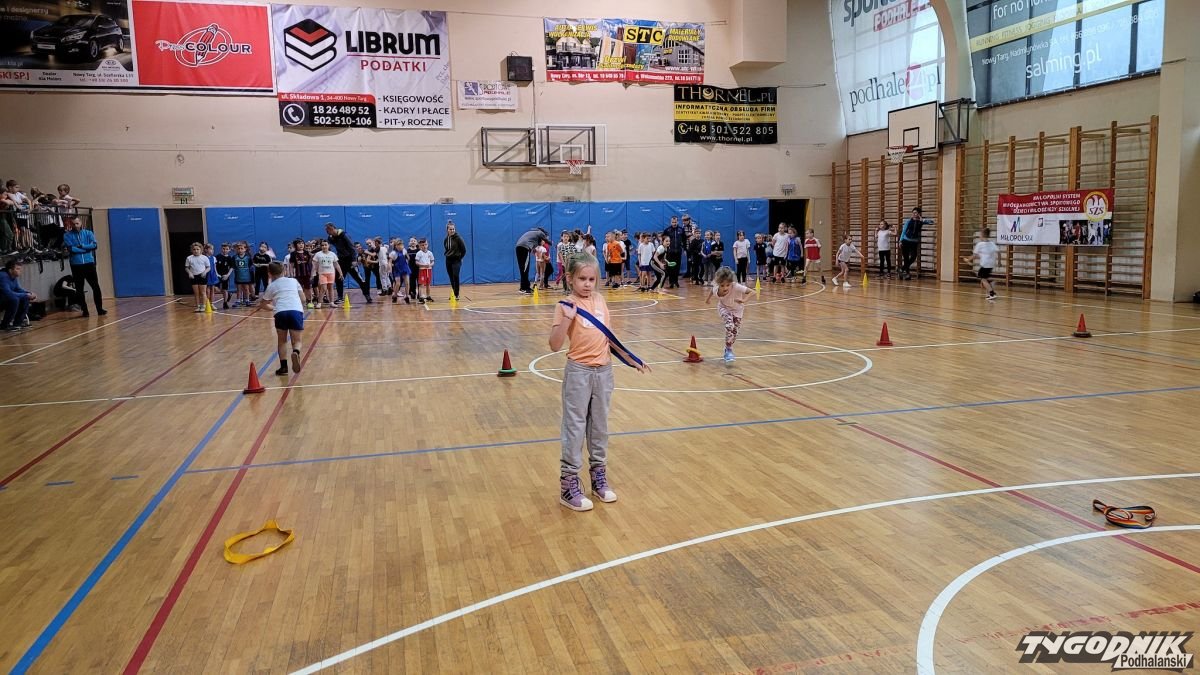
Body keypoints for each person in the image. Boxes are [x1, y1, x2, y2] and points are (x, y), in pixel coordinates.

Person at [549, 252, 650, 512]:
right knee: (574, 427)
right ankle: (568, 484)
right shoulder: (565, 304)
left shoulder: (600, 300)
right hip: (579, 373)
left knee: (600, 427)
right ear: (570, 278)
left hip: (604, 372)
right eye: (582, 279)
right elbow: (554, 345)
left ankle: (598, 478)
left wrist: (631, 358)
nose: (587, 284)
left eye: (592, 279)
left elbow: (608, 335)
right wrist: (568, 318)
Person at [259, 261, 307, 376]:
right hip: (295, 311)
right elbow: (304, 299)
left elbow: (263, 304)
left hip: (280, 312)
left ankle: (284, 368)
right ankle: (296, 352)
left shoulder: (271, 286)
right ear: (284, 271)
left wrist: (274, 308)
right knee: (297, 341)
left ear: (269, 273)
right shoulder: (293, 281)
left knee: (282, 341)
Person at [62, 216, 107, 316]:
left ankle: (100, 309)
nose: (75, 226)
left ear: (81, 223)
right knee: (79, 288)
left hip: (89, 263)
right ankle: (85, 311)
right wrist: (87, 249)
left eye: (77, 223)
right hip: (76, 265)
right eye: (73, 224)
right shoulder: (67, 235)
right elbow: (71, 249)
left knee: (95, 286)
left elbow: (94, 245)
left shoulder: (88, 233)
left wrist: (82, 246)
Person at [706, 266, 751, 363]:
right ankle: (729, 350)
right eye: (722, 285)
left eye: (728, 285)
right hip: (724, 308)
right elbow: (712, 291)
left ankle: (728, 347)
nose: (725, 288)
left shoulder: (736, 286)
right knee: (729, 325)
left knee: (735, 332)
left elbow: (752, 292)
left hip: (737, 310)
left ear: (731, 283)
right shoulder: (716, 289)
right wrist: (708, 299)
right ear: (718, 284)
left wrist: (744, 300)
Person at [324, 223, 372, 304]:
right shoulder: (330, 238)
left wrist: (354, 260)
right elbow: (327, 245)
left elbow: (352, 247)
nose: (327, 232)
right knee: (339, 278)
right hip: (341, 260)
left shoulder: (343, 235)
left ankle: (367, 295)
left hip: (350, 259)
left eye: (328, 230)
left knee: (359, 278)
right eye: (326, 231)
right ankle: (340, 297)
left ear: (332, 229)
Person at [0, 258, 35, 330]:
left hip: (4, 299)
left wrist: (29, 293)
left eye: (20, 269)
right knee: (14, 299)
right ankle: (5, 325)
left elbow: (18, 289)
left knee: (25, 298)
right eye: (18, 269)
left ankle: (17, 323)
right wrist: (26, 295)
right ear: (10, 270)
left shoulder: (13, 277)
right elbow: (8, 293)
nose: (20, 271)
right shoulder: (2, 276)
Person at [515, 226, 549, 295]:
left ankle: (523, 287)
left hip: (519, 247)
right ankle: (525, 288)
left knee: (523, 269)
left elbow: (534, 250)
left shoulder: (533, 236)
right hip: (524, 248)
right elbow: (544, 238)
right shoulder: (538, 232)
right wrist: (549, 242)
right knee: (525, 269)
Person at [969, 227, 999, 301]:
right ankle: (990, 282)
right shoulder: (992, 243)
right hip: (991, 264)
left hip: (985, 264)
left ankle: (992, 293)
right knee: (984, 277)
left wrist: (968, 259)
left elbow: (974, 255)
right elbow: (999, 252)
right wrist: (999, 262)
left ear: (982, 235)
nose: (979, 236)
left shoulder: (980, 244)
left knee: (983, 279)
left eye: (980, 234)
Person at [900, 206, 930, 280]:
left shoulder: (921, 221)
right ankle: (907, 274)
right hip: (906, 241)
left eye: (916, 213)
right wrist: (900, 240)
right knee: (906, 258)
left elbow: (931, 222)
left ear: (919, 214)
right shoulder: (908, 221)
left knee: (913, 257)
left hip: (914, 242)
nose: (914, 214)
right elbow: (903, 231)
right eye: (913, 213)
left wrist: (922, 220)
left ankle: (902, 269)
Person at [443, 221, 467, 300]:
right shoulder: (446, 239)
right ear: (447, 230)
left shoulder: (458, 238)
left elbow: (464, 250)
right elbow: (447, 249)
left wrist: (460, 258)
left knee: (455, 275)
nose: (452, 230)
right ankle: (454, 293)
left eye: (453, 229)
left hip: (456, 260)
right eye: (450, 229)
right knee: (451, 277)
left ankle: (457, 294)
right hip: (448, 260)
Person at [312, 240, 340, 308]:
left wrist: (340, 273)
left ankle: (332, 302)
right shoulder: (318, 254)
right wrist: (313, 272)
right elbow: (315, 265)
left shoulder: (332, 254)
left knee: (331, 288)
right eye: (322, 245)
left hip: (331, 273)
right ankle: (319, 303)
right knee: (323, 288)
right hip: (322, 273)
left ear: (328, 245)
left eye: (325, 245)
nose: (324, 246)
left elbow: (336, 264)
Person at [184, 242, 210, 313]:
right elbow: (186, 268)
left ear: (201, 250)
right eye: (194, 249)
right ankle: (198, 306)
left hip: (202, 276)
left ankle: (203, 306)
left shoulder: (204, 258)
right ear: (192, 250)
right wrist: (190, 273)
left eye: (197, 249)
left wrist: (205, 272)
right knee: (196, 293)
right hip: (194, 277)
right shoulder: (189, 258)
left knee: (203, 292)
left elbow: (208, 267)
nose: (196, 251)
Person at [289, 238, 314, 308]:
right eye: (299, 243)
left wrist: (312, 274)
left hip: (307, 274)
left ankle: (309, 301)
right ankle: (299, 302)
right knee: (299, 289)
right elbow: (291, 265)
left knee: (308, 288)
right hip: (298, 275)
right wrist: (291, 274)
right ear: (295, 245)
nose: (301, 245)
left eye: (302, 243)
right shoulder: (293, 254)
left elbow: (311, 264)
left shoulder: (307, 253)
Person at [662, 215, 685, 288]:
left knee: (677, 267)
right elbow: (663, 239)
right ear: (670, 222)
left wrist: (684, 249)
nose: (674, 223)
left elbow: (684, 240)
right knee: (670, 267)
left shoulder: (681, 230)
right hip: (670, 252)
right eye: (673, 222)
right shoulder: (667, 230)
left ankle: (676, 281)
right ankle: (671, 282)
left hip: (678, 252)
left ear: (677, 222)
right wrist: (664, 249)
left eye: (675, 222)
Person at [389, 238, 411, 304]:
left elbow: (408, 258)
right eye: (398, 245)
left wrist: (407, 258)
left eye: (401, 245)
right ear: (395, 246)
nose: (400, 246)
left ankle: (407, 296)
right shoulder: (393, 253)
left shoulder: (404, 251)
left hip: (405, 268)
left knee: (407, 283)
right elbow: (389, 262)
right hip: (397, 269)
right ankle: (395, 295)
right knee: (398, 283)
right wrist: (390, 268)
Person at [415, 238, 435, 304]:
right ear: (420, 246)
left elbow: (433, 261)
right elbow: (416, 262)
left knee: (428, 284)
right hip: (422, 270)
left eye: (425, 244)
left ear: (427, 244)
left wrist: (430, 265)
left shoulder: (430, 253)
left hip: (428, 270)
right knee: (421, 284)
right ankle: (420, 297)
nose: (424, 246)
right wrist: (423, 265)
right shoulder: (419, 253)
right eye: (422, 245)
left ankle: (428, 296)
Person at [233, 242, 253, 307]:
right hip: (238, 276)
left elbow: (251, 266)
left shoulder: (248, 257)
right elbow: (233, 267)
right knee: (238, 289)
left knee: (246, 289)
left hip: (246, 276)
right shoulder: (235, 257)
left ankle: (247, 300)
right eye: (239, 248)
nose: (240, 250)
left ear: (245, 249)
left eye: (242, 248)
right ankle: (238, 300)